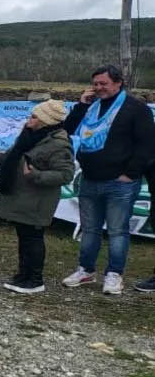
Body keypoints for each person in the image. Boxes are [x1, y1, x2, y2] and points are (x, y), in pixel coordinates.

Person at [58, 65, 155, 294]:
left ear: (118, 82)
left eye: (104, 83)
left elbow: (147, 144)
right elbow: (68, 129)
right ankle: (86, 270)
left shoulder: (136, 108)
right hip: (90, 178)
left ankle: (114, 274)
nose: (99, 88)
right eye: (96, 84)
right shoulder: (91, 106)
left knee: (117, 230)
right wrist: (81, 105)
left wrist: (130, 173)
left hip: (120, 182)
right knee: (89, 228)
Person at [0, 101, 75, 294]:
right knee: (24, 236)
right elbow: (7, 158)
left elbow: (65, 174)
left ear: (46, 121)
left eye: (35, 117)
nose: (30, 119)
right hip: (22, 197)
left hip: (37, 200)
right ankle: (24, 274)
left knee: (33, 238)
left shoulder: (59, 144)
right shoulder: (29, 137)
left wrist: (36, 175)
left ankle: (35, 279)